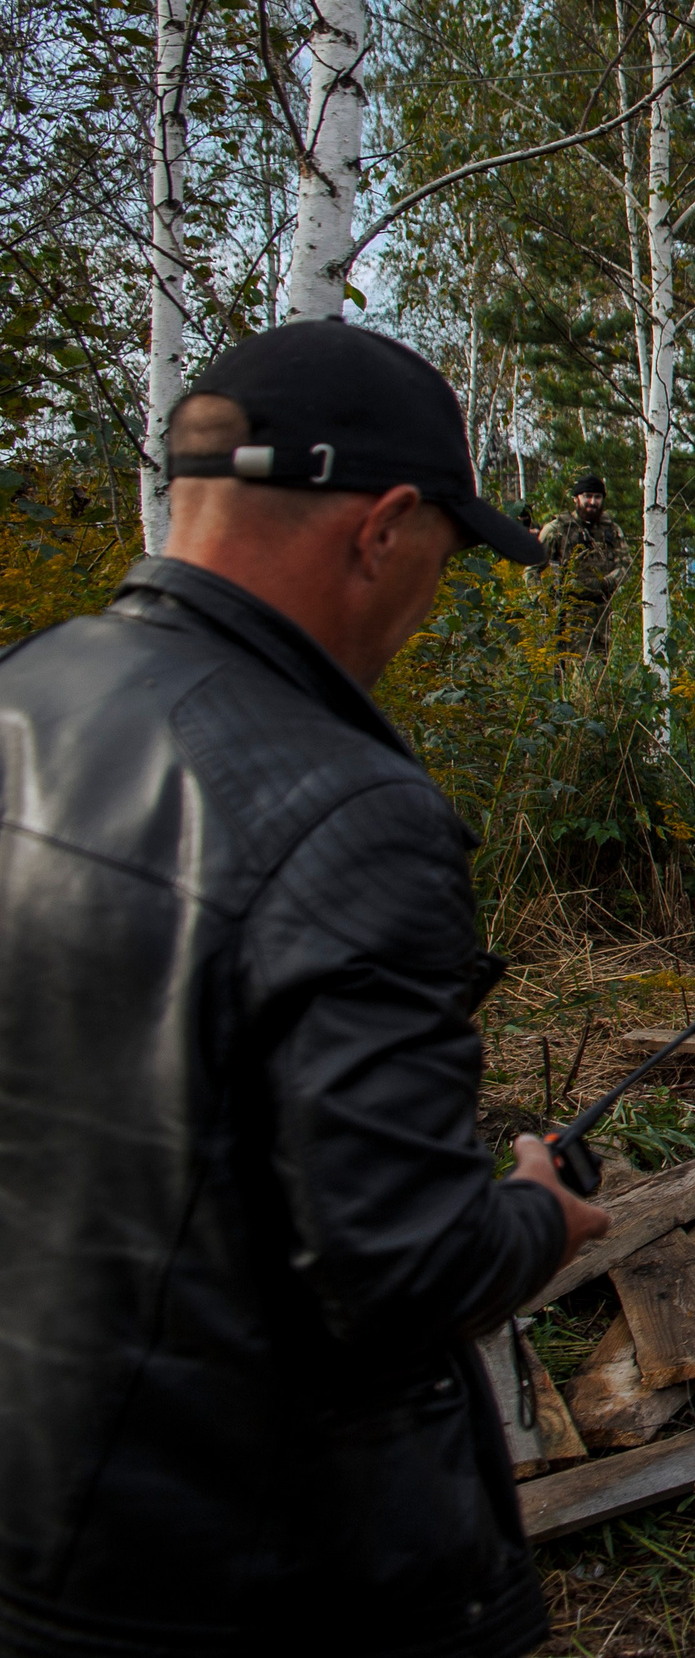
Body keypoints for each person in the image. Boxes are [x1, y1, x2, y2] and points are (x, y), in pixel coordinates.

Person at [0, 320, 613, 1655]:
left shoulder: (28, 694)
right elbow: (401, 1273)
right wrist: (535, 1214)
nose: (430, 598)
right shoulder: (347, 812)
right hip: (262, 1568)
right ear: (382, 528)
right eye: (447, 562)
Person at [539, 471, 628, 657]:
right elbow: (533, 568)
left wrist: (605, 583)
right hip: (566, 613)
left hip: (601, 614)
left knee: (598, 670)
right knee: (564, 669)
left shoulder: (611, 530)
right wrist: (543, 601)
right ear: (576, 499)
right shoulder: (557, 529)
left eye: (597, 497)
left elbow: (625, 565)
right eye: (587, 496)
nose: (592, 502)